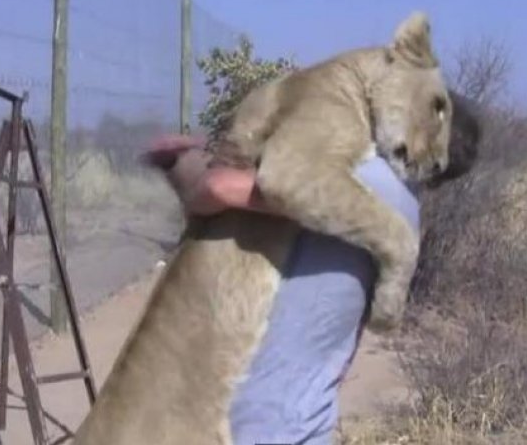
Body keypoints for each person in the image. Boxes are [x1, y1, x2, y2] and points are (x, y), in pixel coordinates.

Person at [143, 93, 479, 444]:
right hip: (295, 419)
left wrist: (185, 162)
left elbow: (220, 189)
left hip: (254, 419)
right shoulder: (402, 210)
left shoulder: (366, 181)